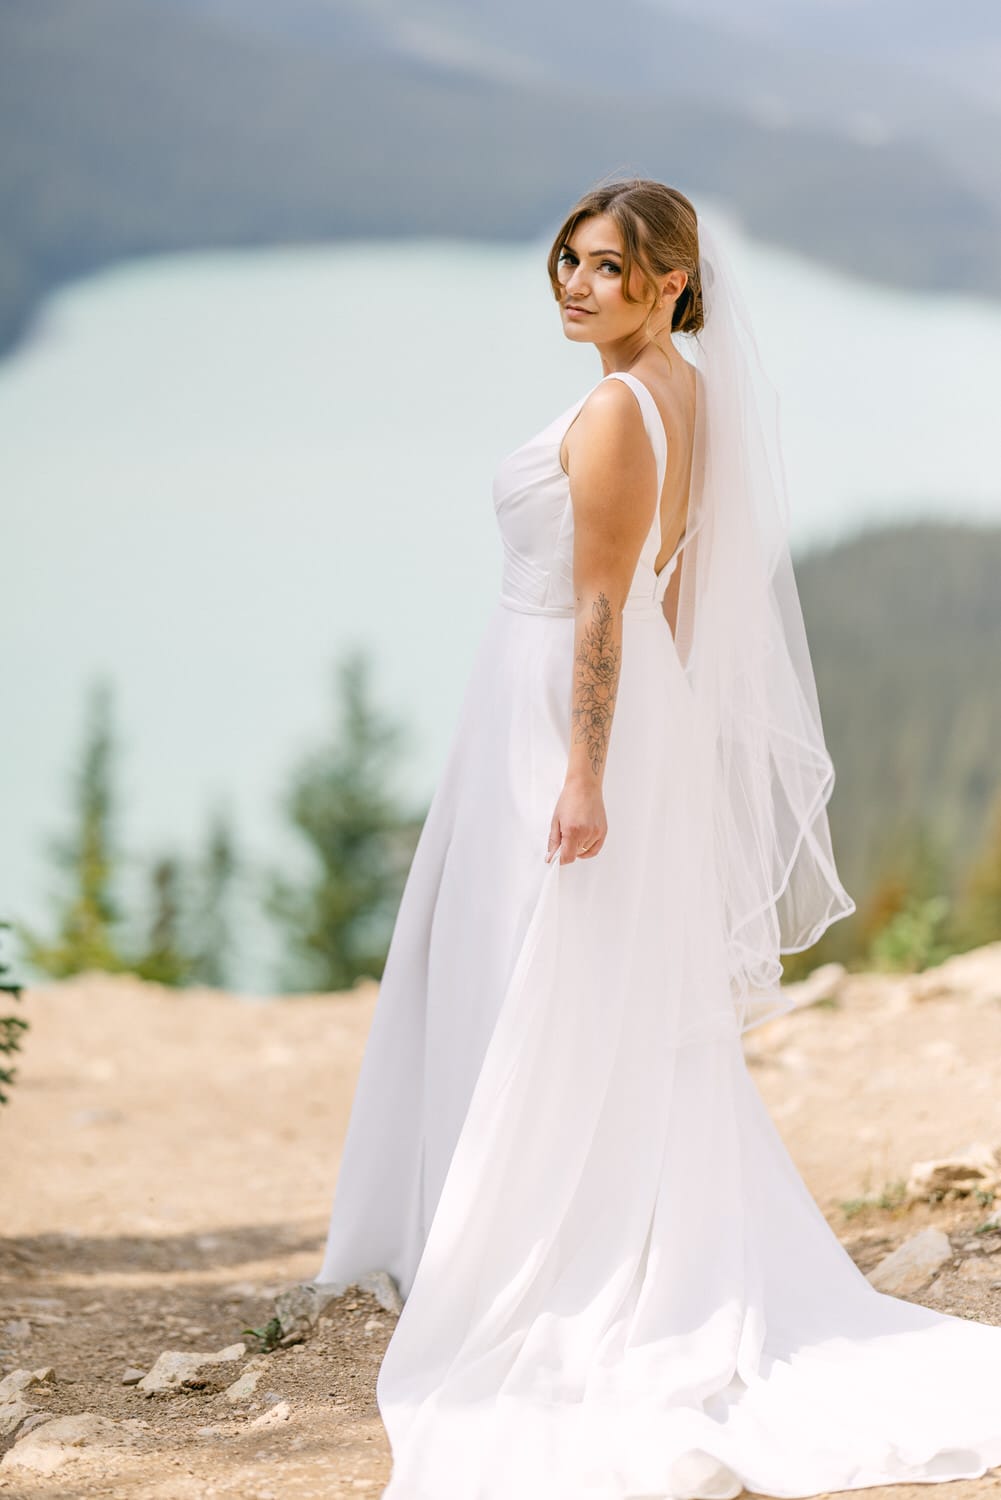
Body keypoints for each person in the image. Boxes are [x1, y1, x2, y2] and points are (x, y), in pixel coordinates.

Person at [314, 179, 1001, 1500]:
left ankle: (543, 1247)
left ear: (671, 284)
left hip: (557, 729)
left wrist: (585, 773)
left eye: (610, 269)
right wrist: (661, 747)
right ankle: (514, 1217)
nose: (577, 285)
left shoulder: (624, 411)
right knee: (566, 989)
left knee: (539, 983)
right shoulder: (684, 389)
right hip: (605, 724)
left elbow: (601, 611)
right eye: (567, 261)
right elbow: (677, 591)